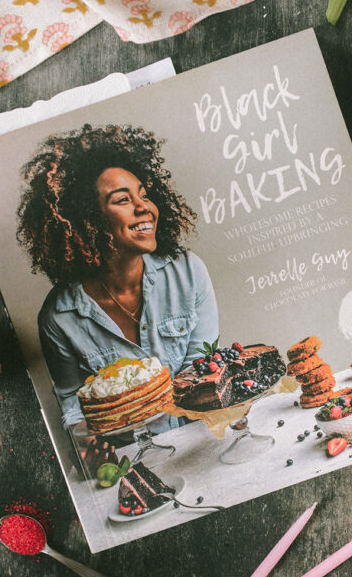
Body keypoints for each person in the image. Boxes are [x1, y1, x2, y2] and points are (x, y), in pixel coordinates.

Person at [17, 122, 218, 429]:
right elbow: (74, 405)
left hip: (198, 436)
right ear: (88, 218)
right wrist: (93, 440)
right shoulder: (59, 317)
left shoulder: (188, 272)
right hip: (133, 459)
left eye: (144, 195)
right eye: (123, 200)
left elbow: (203, 369)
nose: (145, 208)